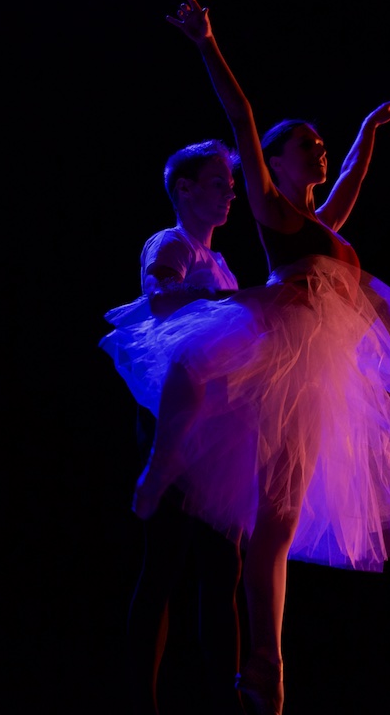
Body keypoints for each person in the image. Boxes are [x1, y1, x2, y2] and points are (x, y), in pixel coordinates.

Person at [110, 0, 390, 715]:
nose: (320, 150)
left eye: (323, 144)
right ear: (275, 160)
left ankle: (266, 676)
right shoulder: (272, 209)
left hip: (321, 371)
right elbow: (241, 116)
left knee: (279, 522)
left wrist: (363, 136)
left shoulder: (322, 225)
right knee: (198, 372)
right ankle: (163, 464)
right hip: (281, 347)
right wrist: (207, 44)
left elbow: (350, 185)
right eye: (310, 142)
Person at [100, 139, 246, 715]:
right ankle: (143, 700)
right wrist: (212, 300)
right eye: (218, 182)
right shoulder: (173, 243)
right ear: (184, 190)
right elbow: (159, 294)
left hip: (214, 433)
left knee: (222, 570)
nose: (229, 192)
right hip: (176, 429)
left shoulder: (223, 263)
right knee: (163, 563)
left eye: (231, 184)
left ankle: (225, 698)